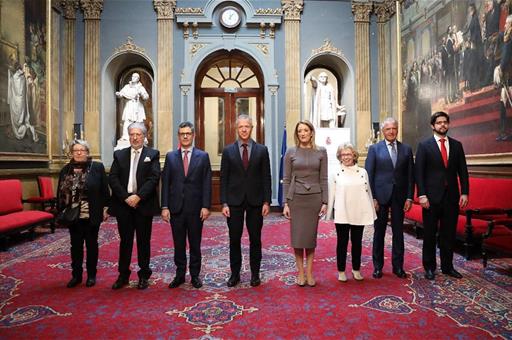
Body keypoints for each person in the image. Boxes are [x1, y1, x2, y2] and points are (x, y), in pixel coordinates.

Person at [415, 111, 469, 280]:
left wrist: (465, 192)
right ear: (433, 126)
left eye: (445, 122)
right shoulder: (424, 146)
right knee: (430, 234)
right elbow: (419, 173)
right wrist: (421, 195)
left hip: (451, 197)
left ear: (448, 124)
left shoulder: (457, 145)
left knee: (448, 235)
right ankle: (429, 267)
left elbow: (463, 172)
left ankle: (448, 267)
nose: (442, 125)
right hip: (431, 198)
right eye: (439, 122)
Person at [220, 114, 271, 287]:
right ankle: (235, 275)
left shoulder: (262, 150)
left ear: (252, 128)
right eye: (240, 126)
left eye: (247, 126)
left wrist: (266, 202)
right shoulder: (228, 150)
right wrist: (224, 203)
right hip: (234, 202)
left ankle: (255, 274)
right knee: (234, 239)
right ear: (236, 128)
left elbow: (266, 177)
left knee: (255, 239)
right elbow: (224, 178)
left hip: (256, 202)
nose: (243, 129)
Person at [109, 122, 160, 290]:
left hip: (143, 205)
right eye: (132, 134)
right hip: (124, 205)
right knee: (125, 241)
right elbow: (113, 179)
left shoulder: (152, 154)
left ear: (144, 137)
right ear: (129, 136)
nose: (135, 137)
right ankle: (123, 275)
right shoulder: (119, 155)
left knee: (143, 242)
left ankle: (144, 275)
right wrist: (126, 197)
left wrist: (138, 196)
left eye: (138, 134)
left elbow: (154, 178)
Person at [161, 121, 212, 289]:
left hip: (196, 209)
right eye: (182, 133)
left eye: (188, 133)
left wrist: (206, 206)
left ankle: (195, 276)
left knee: (195, 244)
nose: (185, 136)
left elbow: (206, 183)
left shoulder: (203, 156)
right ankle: (180, 274)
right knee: (179, 244)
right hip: (176, 208)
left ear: (193, 135)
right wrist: (165, 206)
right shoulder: (170, 156)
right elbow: (166, 183)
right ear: (178, 136)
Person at [365, 117, 414, 279]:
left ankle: (398, 267)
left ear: (397, 130)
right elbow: (368, 176)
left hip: (399, 197)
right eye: (388, 129)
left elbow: (410, 177)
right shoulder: (374, 149)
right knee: (379, 232)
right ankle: (378, 267)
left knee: (398, 233)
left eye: (394, 128)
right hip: (380, 197)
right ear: (383, 131)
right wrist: (372, 198)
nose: (391, 131)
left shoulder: (406, 149)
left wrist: (409, 197)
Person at [57, 140, 110, 288]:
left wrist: (106, 209)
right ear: (72, 153)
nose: (79, 153)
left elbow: (105, 191)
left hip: (91, 212)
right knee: (75, 246)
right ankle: (76, 275)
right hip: (73, 214)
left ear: (87, 152)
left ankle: (91, 276)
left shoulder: (97, 167)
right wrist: (61, 211)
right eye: (76, 150)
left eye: (82, 150)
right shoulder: (66, 170)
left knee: (92, 245)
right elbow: (60, 193)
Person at [282, 120, 328, 287]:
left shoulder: (321, 151)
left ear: (311, 132)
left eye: (305, 130)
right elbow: (286, 179)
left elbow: (324, 178)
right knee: (298, 238)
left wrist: (325, 201)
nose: (302, 133)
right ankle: (300, 273)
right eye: (299, 130)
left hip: (314, 198)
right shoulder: (290, 151)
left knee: (309, 238)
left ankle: (309, 273)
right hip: (296, 199)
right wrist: (285, 203)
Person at [327, 143, 376, 282]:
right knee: (342, 242)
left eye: (348, 154)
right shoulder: (335, 173)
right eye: (343, 155)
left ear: (354, 155)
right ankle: (341, 271)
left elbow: (368, 192)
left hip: (358, 211)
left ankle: (356, 270)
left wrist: (371, 211)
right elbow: (332, 194)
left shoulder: (363, 172)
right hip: (342, 212)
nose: (346, 157)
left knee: (357, 242)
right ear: (339, 157)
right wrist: (329, 213)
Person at [7, 62, 38, 142]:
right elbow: (28, 84)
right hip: (23, 102)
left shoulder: (14, 77)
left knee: (21, 117)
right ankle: (31, 134)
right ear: (20, 68)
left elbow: (15, 89)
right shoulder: (23, 77)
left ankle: (25, 132)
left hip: (18, 102)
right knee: (25, 118)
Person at [115, 73, 149, 145]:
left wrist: (142, 94)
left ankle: (142, 136)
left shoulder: (140, 87)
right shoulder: (127, 86)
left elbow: (146, 97)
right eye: (133, 76)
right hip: (130, 105)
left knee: (139, 122)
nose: (134, 78)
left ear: (138, 79)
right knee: (127, 121)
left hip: (137, 106)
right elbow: (121, 93)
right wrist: (119, 94)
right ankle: (126, 136)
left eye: (136, 77)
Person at [494, 15, 512, 141]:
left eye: (507, 23)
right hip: (507, 76)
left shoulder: (510, 40)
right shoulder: (507, 38)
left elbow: (506, 59)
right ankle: (502, 132)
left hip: (509, 76)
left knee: (505, 103)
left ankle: (503, 132)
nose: (504, 25)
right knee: (502, 103)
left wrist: (499, 68)